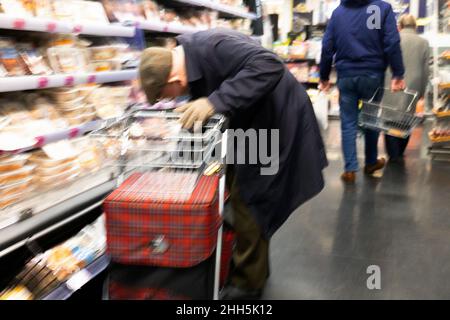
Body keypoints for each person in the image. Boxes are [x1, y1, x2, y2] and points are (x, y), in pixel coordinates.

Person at [139, 29, 328, 299]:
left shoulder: (214, 46)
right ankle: (250, 267)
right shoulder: (191, 55)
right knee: (237, 193)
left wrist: (215, 101)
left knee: (251, 199)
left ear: (173, 78)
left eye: (165, 95)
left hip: (275, 122)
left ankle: (247, 286)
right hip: (253, 126)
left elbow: (269, 64)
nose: (170, 100)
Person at [319, 0, 406, 184]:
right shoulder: (383, 8)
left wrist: (324, 76)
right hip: (373, 74)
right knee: (371, 119)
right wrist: (398, 72)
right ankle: (371, 162)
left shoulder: (338, 13)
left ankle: (350, 169)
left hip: (346, 75)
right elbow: (392, 41)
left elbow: (327, 46)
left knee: (348, 122)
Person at [384, 14, 430, 163]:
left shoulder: (392, 39)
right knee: (407, 117)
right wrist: (422, 91)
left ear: (400, 26)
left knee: (390, 117)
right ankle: (401, 150)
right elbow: (426, 70)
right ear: (415, 26)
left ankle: (393, 153)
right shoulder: (423, 42)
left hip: (393, 81)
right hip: (414, 83)